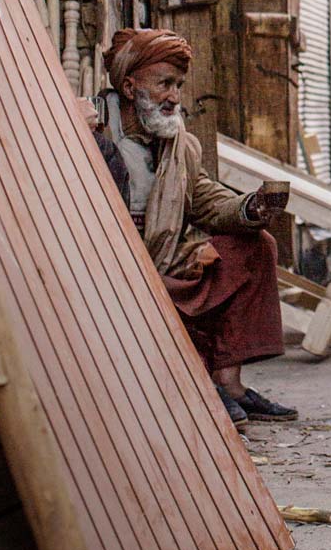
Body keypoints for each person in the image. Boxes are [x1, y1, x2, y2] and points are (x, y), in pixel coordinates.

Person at [96, 28, 297, 427]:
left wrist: (251, 207)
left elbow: (205, 197)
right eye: (164, 84)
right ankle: (198, 385)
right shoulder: (90, 132)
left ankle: (229, 382)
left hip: (167, 262)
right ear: (131, 86)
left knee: (257, 246)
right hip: (113, 270)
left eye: (178, 86)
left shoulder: (180, 144)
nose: (174, 96)